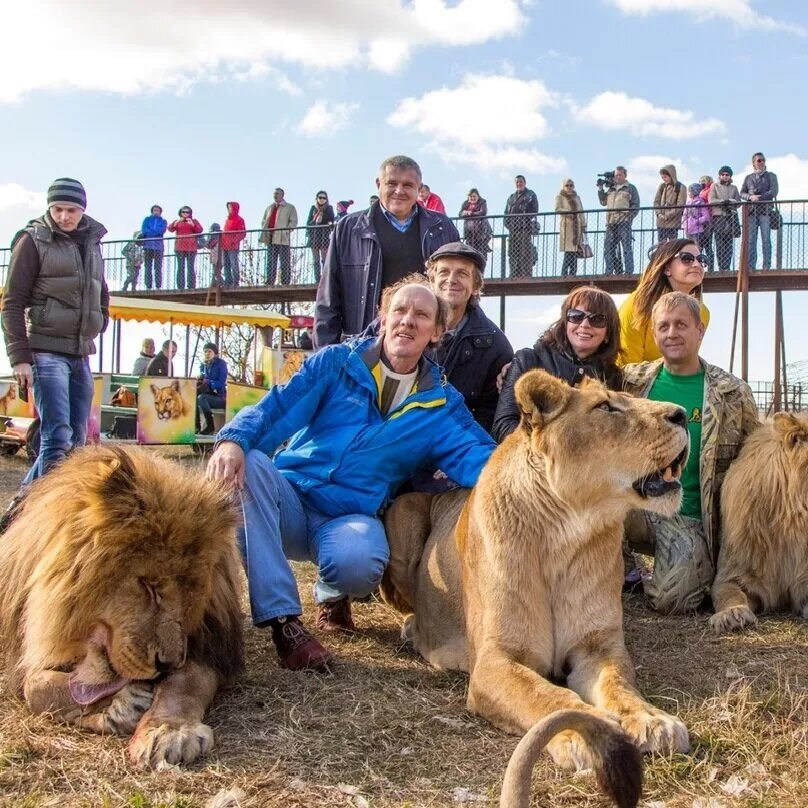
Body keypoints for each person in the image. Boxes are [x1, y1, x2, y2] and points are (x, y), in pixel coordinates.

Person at [207, 278, 495, 670]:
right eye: (400, 311)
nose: (407, 321)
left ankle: (331, 590)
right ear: (383, 319)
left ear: (437, 332)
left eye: (422, 315)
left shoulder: (442, 405)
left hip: (348, 516)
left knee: (361, 562)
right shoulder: (336, 363)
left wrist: (535, 470)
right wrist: (233, 440)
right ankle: (284, 622)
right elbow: (277, 407)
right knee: (252, 464)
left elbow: (482, 457)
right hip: (291, 497)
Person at [622, 291, 759, 613]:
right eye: (664, 326)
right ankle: (621, 566)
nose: (672, 333)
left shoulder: (732, 393)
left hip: (689, 514)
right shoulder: (631, 383)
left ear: (700, 330)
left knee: (674, 599)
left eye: (681, 324)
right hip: (632, 506)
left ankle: (681, 565)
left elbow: (754, 462)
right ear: (654, 333)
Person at [1, 177, 109, 485]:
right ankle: (37, 514)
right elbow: (11, 303)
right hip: (45, 351)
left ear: (82, 210)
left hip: (79, 352)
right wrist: (19, 357)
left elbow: (100, 288)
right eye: (58, 209)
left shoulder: (92, 242)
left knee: (76, 441)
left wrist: (100, 320)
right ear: (49, 208)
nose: (64, 217)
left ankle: (27, 510)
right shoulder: (33, 240)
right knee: (57, 435)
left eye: (71, 210)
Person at [314, 155, 459, 348]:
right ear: (378, 184)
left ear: (419, 188)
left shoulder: (443, 228)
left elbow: (460, 295)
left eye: (407, 185)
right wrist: (325, 360)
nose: (399, 191)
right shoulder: (348, 229)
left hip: (424, 348)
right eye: (391, 183)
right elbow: (329, 299)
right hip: (362, 347)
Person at [492, 286, 622, 443]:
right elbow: (502, 426)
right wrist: (551, 448)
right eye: (576, 316)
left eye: (597, 319)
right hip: (532, 462)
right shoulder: (527, 361)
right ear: (565, 323)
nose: (585, 324)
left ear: (608, 333)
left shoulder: (612, 377)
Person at [424, 242, 512, 433]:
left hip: (459, 443)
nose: (451, 279)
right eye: (444, 272)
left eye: (462, 274)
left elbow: (490, 412)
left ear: (475, 286)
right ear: (432, 281)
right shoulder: (403, 322)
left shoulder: (495, 345)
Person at [618, 238, 710, 366]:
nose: (696, 264)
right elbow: (627, 366)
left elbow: (685, 361)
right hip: (631, 381)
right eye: (687, 258)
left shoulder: (702, 313)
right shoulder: (637, 304)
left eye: (702, 260)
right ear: (667, 268)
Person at [598, 165, 640, 276]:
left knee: (626, 247)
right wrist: (600, 189)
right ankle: (609, 271)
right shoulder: (611, 189)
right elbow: (603, 202)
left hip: (623, 222)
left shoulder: (631, 188)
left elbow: (636, 205)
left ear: (625, 175)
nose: (617, 177)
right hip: (611, 222)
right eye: (616, 175)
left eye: (620, 175)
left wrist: (629, 218)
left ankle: (629, 271)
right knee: (608, 248)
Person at [740, 152, 779, 270]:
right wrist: (750, 197)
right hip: (751, 212)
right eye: (759, 160)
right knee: (751, 240)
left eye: (763, 160)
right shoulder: (748, 178)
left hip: (765, 211)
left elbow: (774, 191)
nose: (761, 162)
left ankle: (766, 265)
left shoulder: (771, 176)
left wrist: (760, 197)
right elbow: (742, 192)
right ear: (754, 163)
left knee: (766, 239)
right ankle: (751, 266)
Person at [260, 188, 298, 286]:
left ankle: (285, 282)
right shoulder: (270, 208)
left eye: (277, 193)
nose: (275, 195)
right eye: (274, 193)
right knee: (271, 261)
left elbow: (293, 222)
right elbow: (264, 221)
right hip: (270, 238)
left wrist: (285, 231)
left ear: (282, 195)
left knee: (284, 261)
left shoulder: (290, 207)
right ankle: (270, 281)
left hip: (282, 238)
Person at [504, 174, 539, 279]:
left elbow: (534, 210)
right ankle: (513, 274)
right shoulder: (511, 197)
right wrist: (507, 223)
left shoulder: (531, 194)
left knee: (524, 252)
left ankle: (525, 274)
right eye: (517, 182)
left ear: (525, 183)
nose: (519, 183)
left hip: (524, 228)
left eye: (521, 182)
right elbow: (506, 212)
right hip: (513, 229)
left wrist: (524, 219)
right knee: (512, 253)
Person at [708, 166, 742, 271]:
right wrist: (723, 201)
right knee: (719, 243)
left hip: (730, 217)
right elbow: (711, 200)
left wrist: (731, 202)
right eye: (722, 174)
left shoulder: (734, 188)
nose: (724, 176)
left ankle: (726, 266)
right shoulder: (714, 186)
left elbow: (738, 202)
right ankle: (721, 266)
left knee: (729, 243)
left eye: (727, 175)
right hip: (718, 217)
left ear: (730, 176)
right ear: (720, 175)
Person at [554, 179, 586, 277]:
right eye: (567, 185)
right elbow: (557, 209)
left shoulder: (577, 198)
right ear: (563, 186)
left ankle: (573, 273)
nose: (569, 187)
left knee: (575, 251)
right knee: (568, 251)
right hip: (567, 227)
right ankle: (564, 273)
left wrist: (584, 225)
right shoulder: (560, 197)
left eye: (571, 185)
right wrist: (569, 212)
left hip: (577, 227)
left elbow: (581, 211)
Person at [168, 206, 203, 290]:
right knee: (180, 267)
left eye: (187, 212)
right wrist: (175, 223)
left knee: (190, 267)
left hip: (191, 247)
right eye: (183, 212)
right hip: (180, 247)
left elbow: (200, 230)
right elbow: (170, 229)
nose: (185, 214)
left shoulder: (194, 221)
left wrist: (193, 225)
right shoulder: (178, 221)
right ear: (180, 212)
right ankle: (180, 286)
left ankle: (191, 286)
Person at [196, 342, 228, 435]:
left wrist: (208, 382)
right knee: (194, 397)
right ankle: (196, 426)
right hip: (208, 395)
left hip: (220, 397)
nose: (207, 354)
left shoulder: (221, 364)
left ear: (215, 353)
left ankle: (210, 425)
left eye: (209, 351)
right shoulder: (204, 365)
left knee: (201, 398)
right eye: (205, 352)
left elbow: (221, 383)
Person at [306, 191, 335, 283]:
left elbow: (331, 219)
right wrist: (315, 220)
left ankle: (325, 278)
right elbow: (308, 222)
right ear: (317, 198)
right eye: (320, 197)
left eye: (324, 198)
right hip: (314, 236)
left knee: (324, 259)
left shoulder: (329, 208)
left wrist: (325, 220)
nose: (322, 199)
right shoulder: (313, 208)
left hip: (323, 236)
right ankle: (317, 279)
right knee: (316, 260)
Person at [653, 164, 686, 242]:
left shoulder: (681, 187)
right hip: (661, 222)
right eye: (662, 177)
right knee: (661, 245)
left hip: (673, 222)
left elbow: (680, 205)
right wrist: (659, 214)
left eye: (665, 177)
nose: (664, 179)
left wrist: (668, 215)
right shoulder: (662, 186)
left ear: (671, 175)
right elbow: (656, 202)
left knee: (672, 245)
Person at [681, 184, 711, 270]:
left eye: (689, 191)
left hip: (697, 231)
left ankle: (698, 267)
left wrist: (696, 221)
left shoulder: (700, 203)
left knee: (697, 250)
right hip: (688, 230)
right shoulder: (688, 203)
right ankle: (690, 267)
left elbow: (706, 216)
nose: (688, 193)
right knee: (689, 249)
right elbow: (685, 214)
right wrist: (684, 222)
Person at [458, 188, 492, 257]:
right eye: (471, 196)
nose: (472, 198)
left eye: (474, 196)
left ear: (478, 196)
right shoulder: (465, 203)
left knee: (481, 252)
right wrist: (467, 213)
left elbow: (483, 212)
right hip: (470, 232)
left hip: (481, 231)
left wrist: (471, 213)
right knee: (470, 251)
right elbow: (460, 214)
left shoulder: (482, 202)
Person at [141, 204, 167, 290]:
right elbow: (144, 230)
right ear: (152, 211)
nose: (156, 212)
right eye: (154, 210)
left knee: (158, 267)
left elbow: (161, 231)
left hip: (158, 247)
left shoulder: (163, 221)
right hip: (148, 246)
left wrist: (151, 231)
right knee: (148, 267)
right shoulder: (147, 219)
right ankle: (148, 286)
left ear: (160, 212)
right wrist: (153, 232)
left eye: (158, 211)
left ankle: (158, 286)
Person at [221, 201, 246, 288]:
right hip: (224, 245)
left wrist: (234, 241)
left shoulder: (239, 220)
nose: (229, 210)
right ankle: (228, 281)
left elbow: (242, 233)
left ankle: (235, 282)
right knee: (226, 264)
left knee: (233, 264)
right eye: (228, 208)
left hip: (233, 246)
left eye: (231, 208)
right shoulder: (227, 219)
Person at [697, 176, 715, 272]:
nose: (701, 183)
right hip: (701, 222)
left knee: (707, 244)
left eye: (703, 181)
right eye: (700, 181)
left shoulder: (710, 189)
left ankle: (710, 267)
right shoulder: (700, 191)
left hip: (708, 220)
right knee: (700, 245)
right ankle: (699, 266)